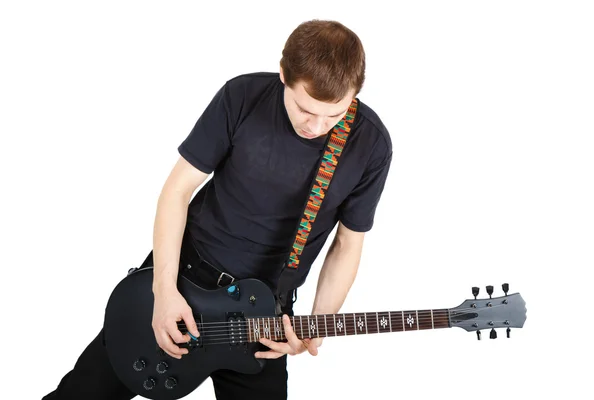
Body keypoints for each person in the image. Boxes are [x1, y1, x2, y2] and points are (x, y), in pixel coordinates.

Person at [43, 19, 393, 400]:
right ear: (283, 76)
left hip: (264, 312)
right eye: (305, 109)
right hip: (185, 278)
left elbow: (347, 244)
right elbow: (176, 192)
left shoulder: (370, 144)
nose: (318, 126)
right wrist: (163, 291)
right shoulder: (242, 96)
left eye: (335, 114)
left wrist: (314, 326)